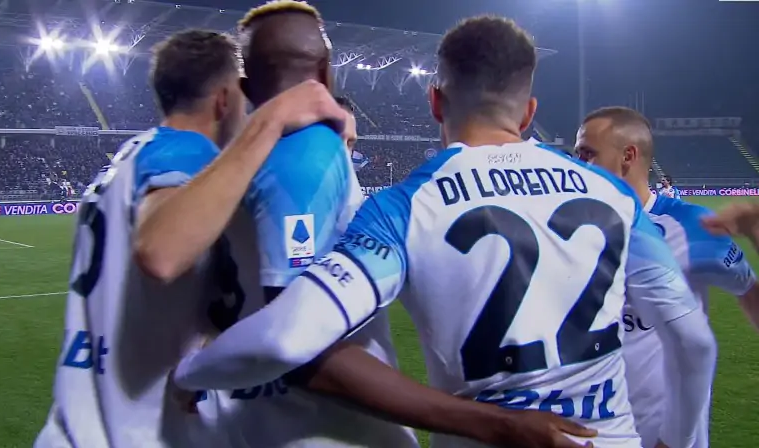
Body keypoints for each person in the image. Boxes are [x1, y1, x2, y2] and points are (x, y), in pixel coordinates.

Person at [174, 15, 716, 448]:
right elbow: (693, 343)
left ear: (434, 101)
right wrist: (678, 440)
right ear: (529, 112)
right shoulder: (613, 193)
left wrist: (191, 372)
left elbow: (284, 338)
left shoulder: (404, 207)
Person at [34, 30, 349, 448]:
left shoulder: (130, 157)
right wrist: (269, 122)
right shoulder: (188, 152)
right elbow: (161, 253)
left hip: (73, 426)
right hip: (133, 433)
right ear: (224, 99)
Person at [575, 106, 759, 447]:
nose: (578, 165)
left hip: (667, 438)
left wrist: (755, 234)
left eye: (588, 154)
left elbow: (751, 296)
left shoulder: (691, 227)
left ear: (628, 156)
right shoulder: (569, 229)